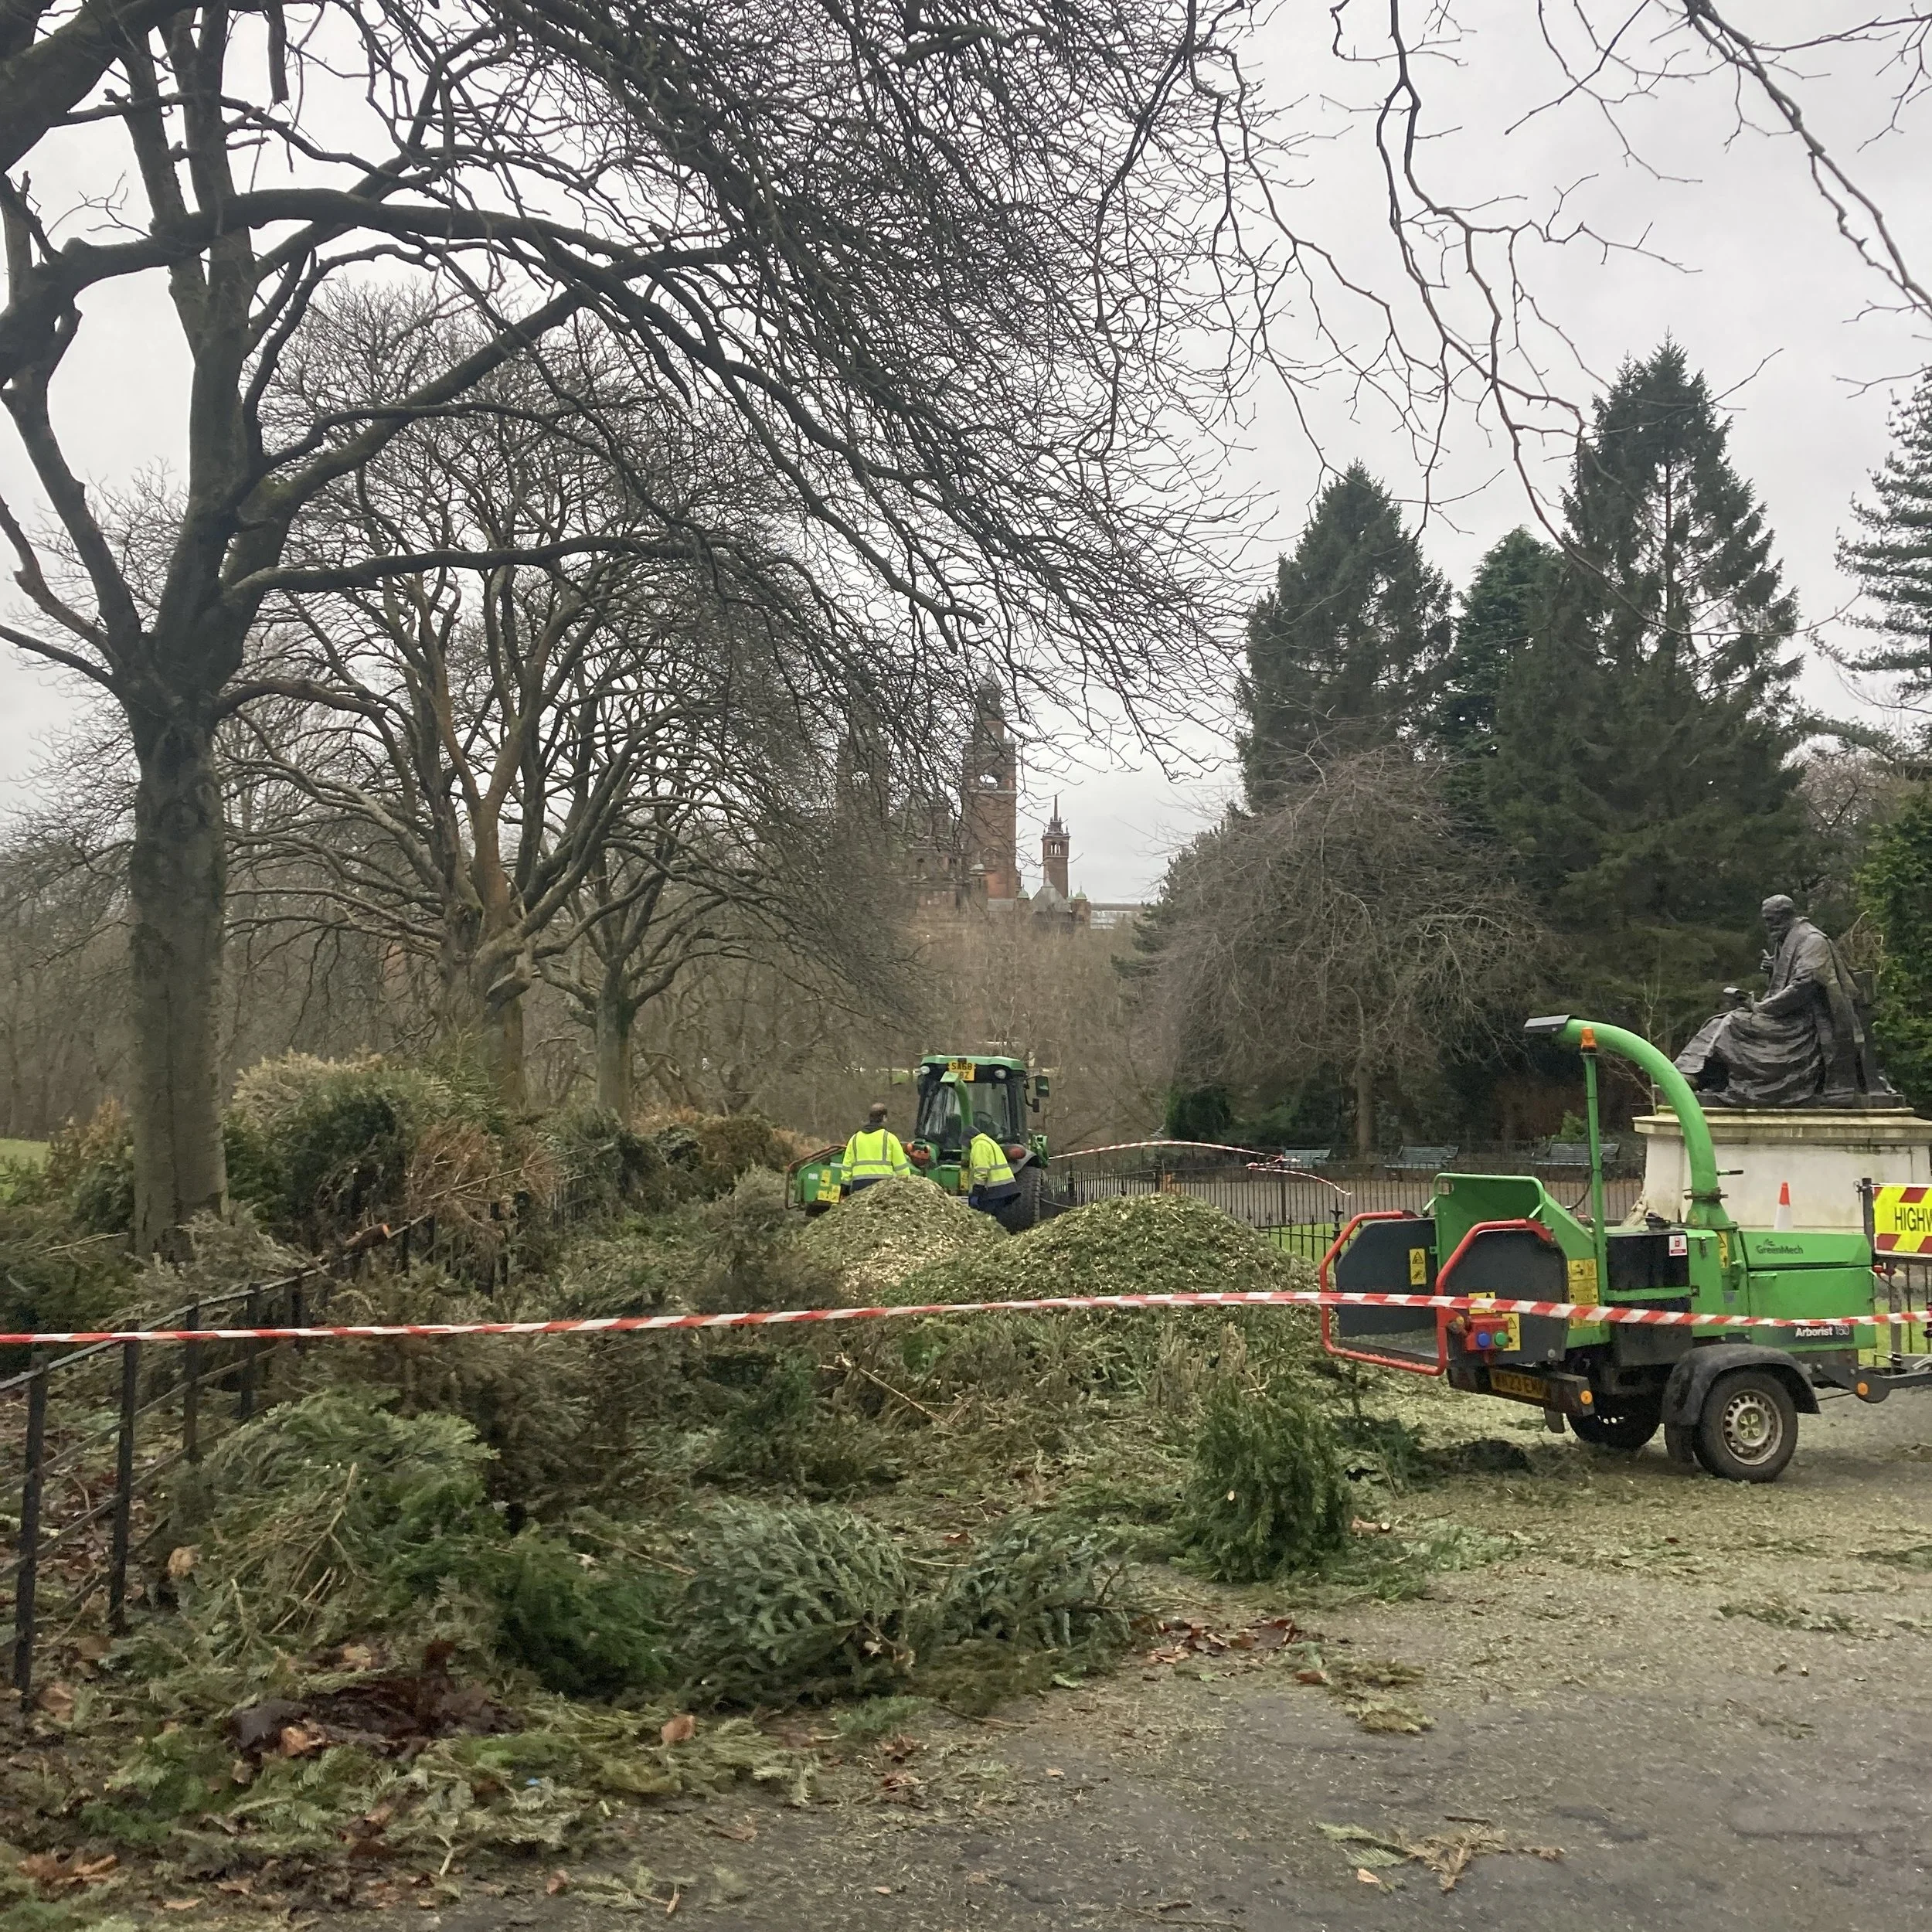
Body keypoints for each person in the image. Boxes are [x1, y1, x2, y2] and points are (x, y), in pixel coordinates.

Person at [1675, 895, 1893, 1107]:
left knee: (1734, 1023)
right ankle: (1694, 1074)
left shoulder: (1812, 940)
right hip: (1788, 1015)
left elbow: (1803, 986)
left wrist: (1763, 1008)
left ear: (1786, 916)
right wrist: (1774, 971)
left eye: (1771, 920)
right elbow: (1788, 981)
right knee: (1717, 1022)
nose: (1768, 926)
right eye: (1766, 920)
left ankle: (1711, 1078)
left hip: (1808, 1024)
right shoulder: (1786, 939)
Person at [840, 1102, 911, 1193]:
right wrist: (907, 1185)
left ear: (870, 1118)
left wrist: (845, 1187)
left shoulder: (854, 1139)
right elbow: (901, 1168)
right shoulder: (889, 1138)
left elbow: (847, 1166)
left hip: (859, 1186)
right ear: (884, 1118)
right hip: (883, 1186)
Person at [965, 1111, 1021, 1216]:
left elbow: (982, 1170)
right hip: (1004, 1189)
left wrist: (976, 1193)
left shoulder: (979, 1146)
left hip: (993, 1191)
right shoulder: (988, 1142)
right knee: (995, 1219)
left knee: (986, 1219)